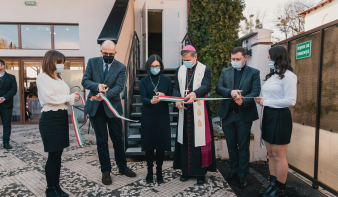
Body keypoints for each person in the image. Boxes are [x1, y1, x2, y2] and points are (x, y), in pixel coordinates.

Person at [81, 40, 136, 185]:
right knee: (101, 141)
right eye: (105, 53)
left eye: (111, 54)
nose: (108, 56)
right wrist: (97, 86)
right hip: (96, 109)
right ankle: (105, 171)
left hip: (113, 108)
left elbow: (119, 87)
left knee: (118, 139)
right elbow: (85, 81)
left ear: (115, 53)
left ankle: (122, 167)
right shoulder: (92, 63)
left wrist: (104, 95)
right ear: (101, 51)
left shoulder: (121, 67)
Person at [255, 46, 297, 197]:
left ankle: (280, 188)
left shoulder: (289, 76)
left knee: (279, 155)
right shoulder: (273, 76)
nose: (268, 60)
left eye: (269, 58)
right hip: (269, 115)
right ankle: (272, 184)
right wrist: (262, 100)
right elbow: (270, 98)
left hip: (280, 117)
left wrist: (266, 102)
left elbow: (290, 100)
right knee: (271, 153)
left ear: (277, 58)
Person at [37, 50, 80, 197]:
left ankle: (56, 186)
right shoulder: (42, 77)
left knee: (58, 154)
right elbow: (49, 98)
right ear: (50, 61)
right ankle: (50, 189)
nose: (61, 65)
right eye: (59, 62)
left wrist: (73, 98)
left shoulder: (59, 79)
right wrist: (69, 97)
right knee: (53, 155)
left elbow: (64, 98)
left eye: (62, 62)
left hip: (61, 117)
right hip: (50, 118)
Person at [216, 47, 261, 188]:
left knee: (243, 146)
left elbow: (255, 91)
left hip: (244, 115)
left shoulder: (254, 72)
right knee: (231, 146)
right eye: (233, 59)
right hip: (228, 115)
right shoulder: (225, 71)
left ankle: (243, 175)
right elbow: (218, 88)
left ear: (245, 58)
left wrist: (243, 101)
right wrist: (230, 92)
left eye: (238, 59)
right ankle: (234, 171)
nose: (234, 61)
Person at [173, 45, 216, 185]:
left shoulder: (205, 69)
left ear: (195, 56)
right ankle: (185, 171)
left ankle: (200, 173)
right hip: (184, 111)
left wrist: (195, 93)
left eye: (188, 59)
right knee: (184, 140)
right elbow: (175, 88)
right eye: (183, 60)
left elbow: (206, 86)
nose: (185, 62)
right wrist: (176, 100)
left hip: (199, 111)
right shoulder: (179, 70)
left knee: (200, 142)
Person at [139, 54, 173, 184]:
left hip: (162, 117)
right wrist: (151, 101)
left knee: (160, 145)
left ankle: (159, 171)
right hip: (148, 116)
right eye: (152, 66)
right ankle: (149, 171)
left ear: (161, 66)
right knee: (149, 145)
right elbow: (143, 98)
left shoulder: (166, 80)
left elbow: (170, 98)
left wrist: (164, 96)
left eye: (157, 66)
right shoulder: (144, 81)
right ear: (148, 66)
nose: (154, 68)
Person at [0, 59, 17, 150]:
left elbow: (13, 90)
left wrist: (3, 98)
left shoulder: (11, 77)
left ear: (3, 66)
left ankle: (6, 142)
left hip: (6, 105)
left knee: (6, 124)